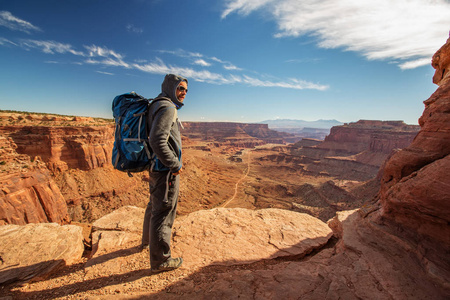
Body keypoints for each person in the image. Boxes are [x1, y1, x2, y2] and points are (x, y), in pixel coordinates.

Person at [141, 74, 188, 274]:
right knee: (164, 211)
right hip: (164, 170)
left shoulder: (156, 104)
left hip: (155, 166)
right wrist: (174, 164)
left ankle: (147, 242)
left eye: (185, 89)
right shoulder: (168, 107)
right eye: (180, 88)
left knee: (154, 206)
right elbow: (158, 140)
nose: (184, 93)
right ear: (170, 87)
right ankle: (160, 260)